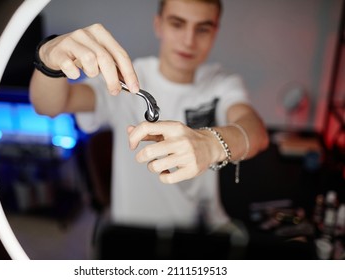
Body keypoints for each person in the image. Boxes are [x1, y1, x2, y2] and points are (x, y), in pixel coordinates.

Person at [29, 0, 269, 233]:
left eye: (202, 29)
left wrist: (212, 144)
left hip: (204, 229)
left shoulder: (222, 82)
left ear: (215, 32)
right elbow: (48, 106)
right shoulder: (123, 78)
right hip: (135, 234)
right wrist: (47, 59)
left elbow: (256, 132)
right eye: (177, 24)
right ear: (159, 25)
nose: (189, 40)